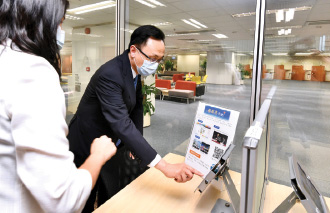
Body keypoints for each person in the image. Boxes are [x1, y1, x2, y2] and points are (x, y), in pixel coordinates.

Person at [68, 25, 203, 212]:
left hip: (110, 143)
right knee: (85, 198)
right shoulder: (111, 74)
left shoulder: (133, 69)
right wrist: (165, 167)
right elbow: (121, 122)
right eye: (152, 58)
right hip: (86, 142)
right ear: (133, 50)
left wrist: (135, 144)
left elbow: (137, 106)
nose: (155, 64)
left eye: (159, 59)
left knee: (109, 192)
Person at [0, 0, 117, 212]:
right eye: (60, 22)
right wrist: (98, 156)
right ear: (42, 20)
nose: (60, 30)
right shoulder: (33, 72)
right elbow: (64, 200)